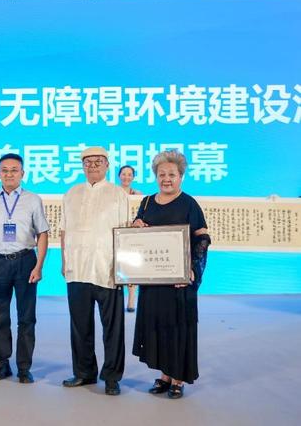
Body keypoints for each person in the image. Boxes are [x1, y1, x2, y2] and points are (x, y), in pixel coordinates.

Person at [132, 150, 211, 399]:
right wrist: (135, 226)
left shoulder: (189, 203)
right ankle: (165, 375)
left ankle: (178, 379)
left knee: (177, 328)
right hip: (153, 280)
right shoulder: (146, 202)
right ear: (156, 176)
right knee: (157, 327)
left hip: (178, 281)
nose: (166, 179)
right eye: (162, 174)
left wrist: (191, 269)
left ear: (181, 176)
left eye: (172, 175)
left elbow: (202, 237)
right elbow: (137, 234)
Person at [60, 147, 129, 396]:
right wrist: (64, 260)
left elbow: (125, 231)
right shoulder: (71, 193)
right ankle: (84, 372)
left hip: (107, 268)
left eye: (98, 161)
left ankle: (112, 377)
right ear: (82, 166)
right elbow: (64, 229)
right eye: (87, 162)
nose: (92, 166)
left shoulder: (117, 194)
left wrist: (123, 267)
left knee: (113, 327)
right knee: (80, 326)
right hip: (77, 267)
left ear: (107, 165)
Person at [0, 153, 49, 384]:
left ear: (22, 173)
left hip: (25, 261)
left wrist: (39, 265)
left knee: (26, 318)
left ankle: (24, 368)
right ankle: (1, 366)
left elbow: (42, 233)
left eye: (14, 170)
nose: (9, 174)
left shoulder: (33, 199)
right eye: (5, 170)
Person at [118, 165, 142, 313]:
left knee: (132, 266)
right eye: (124, 174)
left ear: (133, 177)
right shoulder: (113, 193)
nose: (126, 177)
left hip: (132, 235)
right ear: (119, 176)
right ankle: (117, 299)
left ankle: (131, 300)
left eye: (129, 174)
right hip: (116, 233)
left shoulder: (138, 194)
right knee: (117, 266)